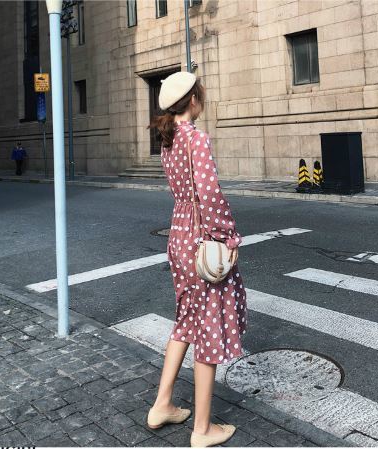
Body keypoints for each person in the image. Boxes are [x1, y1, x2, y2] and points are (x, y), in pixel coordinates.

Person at [147, 71, 247, 447]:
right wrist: (228, 236)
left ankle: (162, 404)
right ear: (193, 100)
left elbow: (187, 193)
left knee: (187, 319)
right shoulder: (196, 138)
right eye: (201, 93)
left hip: (179, 233)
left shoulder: (169, 140)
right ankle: (202, 429)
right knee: (208, 326)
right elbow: (210, 194)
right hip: (201, 236)